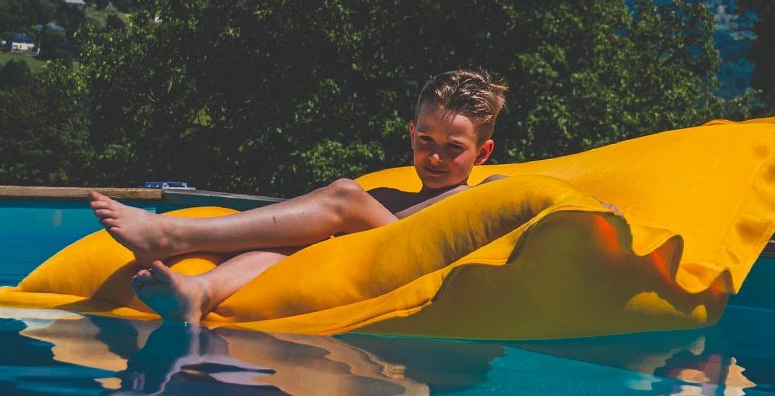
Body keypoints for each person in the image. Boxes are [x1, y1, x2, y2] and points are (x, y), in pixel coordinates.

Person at [89, 69, 509, 323]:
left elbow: (511, 206)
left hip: (415, 266)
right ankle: (200, 293)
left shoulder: (487, 191)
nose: (434, 157)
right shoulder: (386, 197)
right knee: (290, 243)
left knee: (345, 194)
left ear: (483, 153)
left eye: (454, 148)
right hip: (363, 263)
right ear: (411, 134)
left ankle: (173, 235)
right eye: (425, 140)